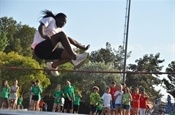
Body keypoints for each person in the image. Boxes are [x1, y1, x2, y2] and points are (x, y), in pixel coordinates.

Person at [31, 10, 90, 76]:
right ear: (57, 18)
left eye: (65, 23)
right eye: (62, 21)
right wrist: (43, 35)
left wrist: (82, 47)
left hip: (48, 53)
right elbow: (41, 26)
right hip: (39, 49)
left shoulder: (59, 30)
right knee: (61, 35)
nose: (63, 23)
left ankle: (53, 66)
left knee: (68, 56)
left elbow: (70, 40)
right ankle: (74, 57)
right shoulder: (51, 20)